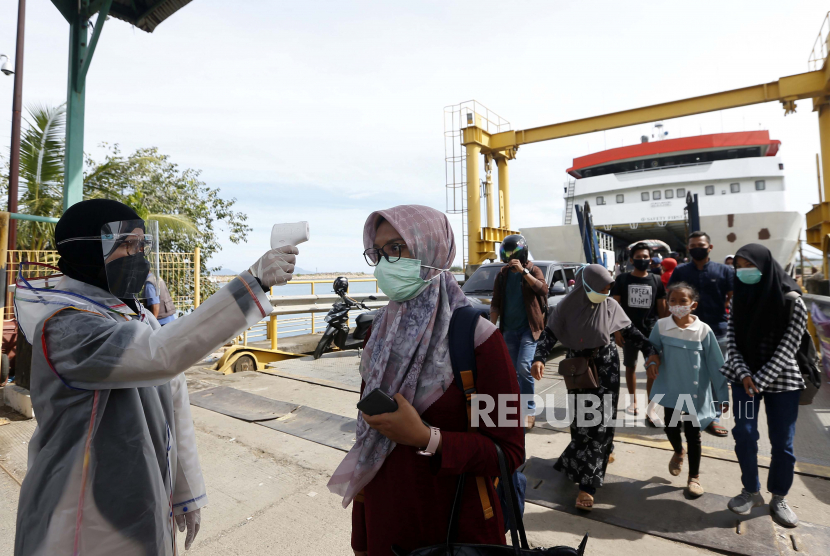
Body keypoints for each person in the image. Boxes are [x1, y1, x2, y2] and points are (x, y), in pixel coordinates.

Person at [13, 199, 297, 556]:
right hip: (77, 512)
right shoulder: (68, 328)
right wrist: (252, 283)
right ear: (85, 251)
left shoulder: (129, 314)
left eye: (140, 245)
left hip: (142, 496)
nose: (138, 256)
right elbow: (163, 354)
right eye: (125, 245)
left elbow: (173, 395)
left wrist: (184, 490)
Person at [330, 205, 524, 556]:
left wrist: (427, 438)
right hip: (385, 528)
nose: (385, 263)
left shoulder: (479, 339)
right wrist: (362, 536)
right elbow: (367, 444)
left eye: (396, 248)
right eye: (378, 252)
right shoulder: (379, 334)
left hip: (453, 533)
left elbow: (509, 452)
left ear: (432, 248)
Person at [531, 265, 658, 510]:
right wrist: (539, 358)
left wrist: (651, 350)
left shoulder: (609, 306)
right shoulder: (566, 306)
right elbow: (548, 335)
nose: (606, 292)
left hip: (607, 365)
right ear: (585, 285)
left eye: (609, 287)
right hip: (577, 367)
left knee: (601, 425)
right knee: (580, 424)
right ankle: (580, 457)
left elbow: (631, 332)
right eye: (602, 288)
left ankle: (587, 487)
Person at [720, 244, 806, 528]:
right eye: (739, 267)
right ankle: (751, 490)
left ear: (765, 265)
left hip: (782, 382)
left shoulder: (792, 300)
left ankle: (778, 496)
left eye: (750, 266)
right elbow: (731, 339)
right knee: (744, 433)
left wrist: (759, 379)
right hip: (743, 379)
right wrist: (745, 375)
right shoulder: (739, 298)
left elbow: (789, 347)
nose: (744, 272)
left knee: (783, 443)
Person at [648, 282, 728, 498]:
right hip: (671, 388)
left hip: (696, 391)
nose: (677, 305)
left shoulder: (703, 330)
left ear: (693, 305)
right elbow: (652, 349)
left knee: (694, 435)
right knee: (671, 429)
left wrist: (722, 396)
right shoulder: (661, 326)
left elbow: (716, 364)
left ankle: (694, 478)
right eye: (672, 300)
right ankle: (678, 451)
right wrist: (652, 362)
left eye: (683, 301)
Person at [668, 231, 734, 437]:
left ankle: (712, 417)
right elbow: (670, 299)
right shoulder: (680, 272)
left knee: (716, 376)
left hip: (718, 332)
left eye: (701, 244)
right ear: (688, 249)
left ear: (710, 247)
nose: (697, 247)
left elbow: (735, 299)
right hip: (686, 332)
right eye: (693, 245)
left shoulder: (724, 271)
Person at [490, 234, 548, 428]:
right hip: (509, 329)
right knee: (512, 372)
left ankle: (529, 410)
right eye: (506, 253)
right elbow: (496, 303)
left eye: (512, 252)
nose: (509, 256)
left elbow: (542, 290)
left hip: (528, 329)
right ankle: (517, 409)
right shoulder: (502, 274)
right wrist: (492, 328)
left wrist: (524, 272)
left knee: (524, 367)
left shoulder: (533, 269)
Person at [611, 243, 667, 418]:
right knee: (630, 366)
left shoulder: (656, 280)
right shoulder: (622, 280)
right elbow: (614, 306)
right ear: (631, 260)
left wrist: (665, 331)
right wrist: (617, 330)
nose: (642, 260)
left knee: (652, 368)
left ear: (650, 259)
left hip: (651, 332)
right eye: (638, 257)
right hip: (628, 331)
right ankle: (633, 401)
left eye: (645, 257)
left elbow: (662, 308)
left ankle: (650, 407)